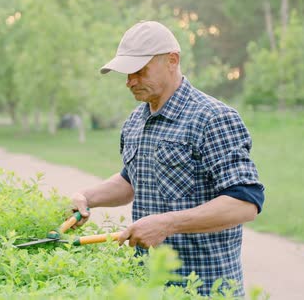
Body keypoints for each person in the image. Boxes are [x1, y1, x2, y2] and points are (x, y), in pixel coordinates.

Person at [71, 20, 265, 297]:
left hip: (204, 289)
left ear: (172, 60)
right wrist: (87, 197)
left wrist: (167, 223)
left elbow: (245, 203)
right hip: (149, 287)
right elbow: (132, 178)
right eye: (126, 73)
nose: (130, 82)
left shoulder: (213, 118)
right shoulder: (136, 121)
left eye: (139, 71)